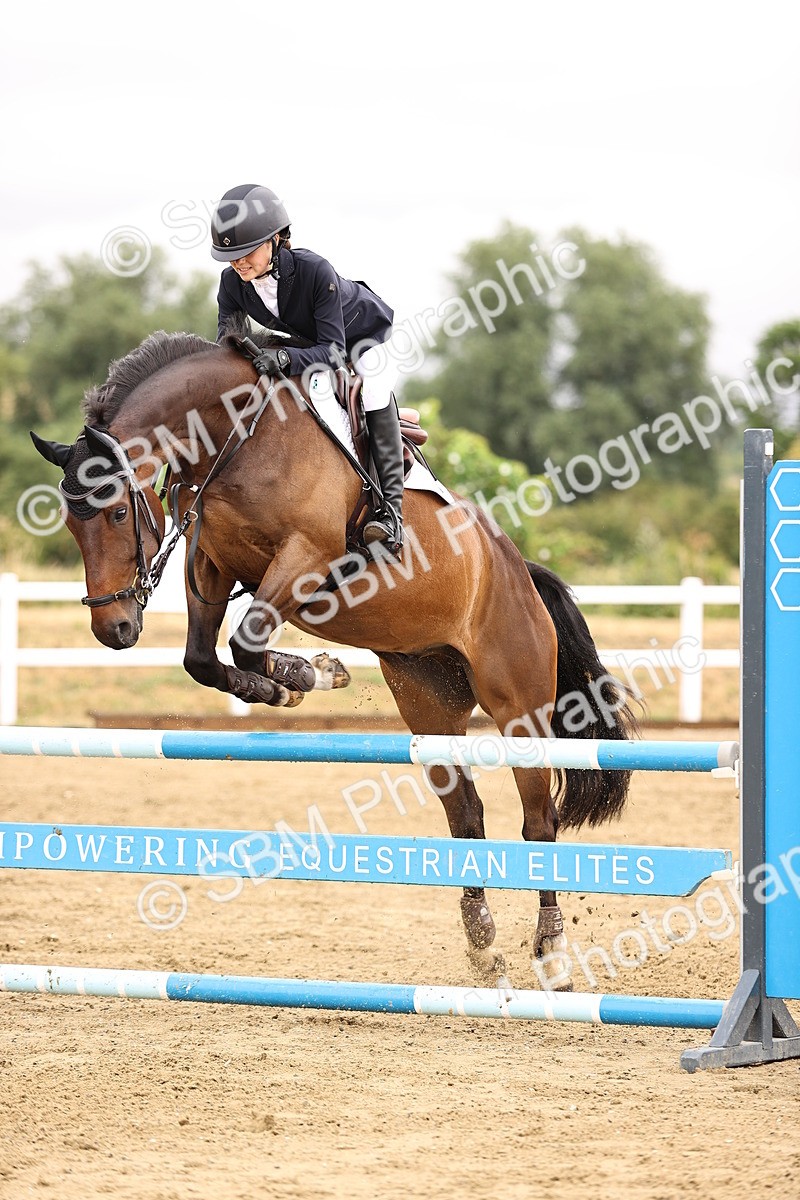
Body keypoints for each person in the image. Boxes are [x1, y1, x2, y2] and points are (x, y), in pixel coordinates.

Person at [210, 182, 404, 553]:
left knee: (375, 392)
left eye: (248, 251)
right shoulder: (232, 283)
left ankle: (391, 513)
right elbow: (228, 345)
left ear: (278, 239)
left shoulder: (315, 270)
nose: (238, 262)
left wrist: (283, 358)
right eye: (231, 255)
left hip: (361, 337)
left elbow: (333, 350)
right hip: (311, 343)